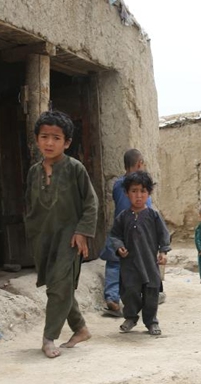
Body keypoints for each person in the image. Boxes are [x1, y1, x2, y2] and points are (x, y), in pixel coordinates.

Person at [24, 110, 97, 359]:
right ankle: (80, 328)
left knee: (58, 288)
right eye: (44, 136)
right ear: (37, 139)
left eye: (56, 138)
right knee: (58, 286)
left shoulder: (75, 168)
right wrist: (32, 234)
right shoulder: (34, 172)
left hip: (70, 238)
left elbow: (91, 203)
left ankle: (48, 337)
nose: (49, 143)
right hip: (44, 239)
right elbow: (30, 205)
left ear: (66, 142)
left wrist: (83, 232)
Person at [110, 171, 171, 336]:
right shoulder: (123, 217)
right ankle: (130, 317)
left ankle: (151, 322)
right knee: (130, 292)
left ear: (148, 193)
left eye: (143, 191)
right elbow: (115, 235)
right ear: (127, 193)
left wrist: (163, 252)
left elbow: (163, 235)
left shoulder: (153, 215)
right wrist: (119, 246)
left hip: (149, 263)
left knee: (151, 293)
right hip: (129, 263)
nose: (138, 196)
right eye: (134, 191)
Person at [101, 149, 153, 317]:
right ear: (139, 164)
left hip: (120, 228)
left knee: (114, 263)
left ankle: (112, 299)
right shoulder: (143, 188)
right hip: (138, 231)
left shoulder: (118, 184)